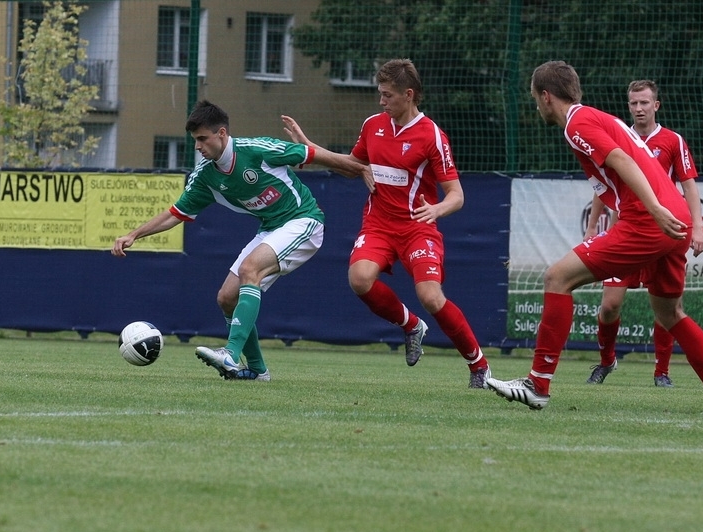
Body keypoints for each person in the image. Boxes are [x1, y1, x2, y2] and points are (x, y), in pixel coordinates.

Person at [486, 61, 703, 415]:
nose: (535, 105)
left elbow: (621, 159)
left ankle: (537, 384)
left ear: (546, 97)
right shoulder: (593, 117)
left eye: (534, 98)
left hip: (648, 220)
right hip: (676, 217)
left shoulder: (576, 123)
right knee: (671, 313)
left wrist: (651, 208)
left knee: (557, 278)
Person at [112, 100, 367, 381]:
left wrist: (358, 166)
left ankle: (231, 354)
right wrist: (134, 234)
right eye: (195, 140)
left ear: (221, 134)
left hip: (304, 220)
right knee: (227, 298)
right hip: (271, 229)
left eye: (202, 139)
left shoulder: (257, 150)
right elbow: (175, 214)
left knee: (250, 270)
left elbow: (314, 155)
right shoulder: (205, 176)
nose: (198, 147)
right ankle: (258, 370)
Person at [281, 58, 492, 388]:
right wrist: (310, 150)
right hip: (378, 225)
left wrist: (437, 210)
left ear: (408, 95)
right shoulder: (372, 126)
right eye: (380, 94)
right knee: (359, 278)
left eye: (387, 95)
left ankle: (478, 365)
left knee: (431, 297)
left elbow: (457, 195)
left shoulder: (432, 136)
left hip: (417, 228)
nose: (381, 101)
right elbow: (353, 166)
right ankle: (410, 326)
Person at [584, 79, 703, 388]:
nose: (638, 108)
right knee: (610, 305)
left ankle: (661, 372)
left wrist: (697, 228)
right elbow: (603, 186)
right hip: (624, 230)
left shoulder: (672, 141)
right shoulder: (617, 137)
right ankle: (606, 361)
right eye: (633, 103)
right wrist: (591, 228)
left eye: (644, 102)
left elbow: (689, 185)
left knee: (666, 309)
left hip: (661, 234)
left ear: (656, 105)